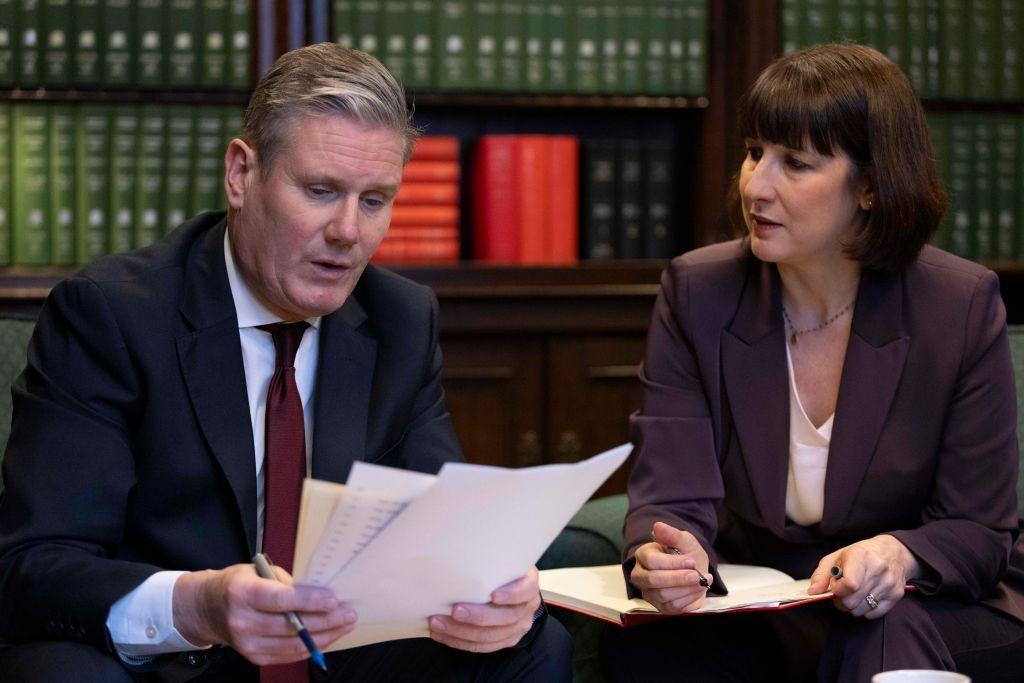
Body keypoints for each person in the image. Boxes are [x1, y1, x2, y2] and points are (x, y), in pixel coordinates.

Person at [0, 43, 571, 682]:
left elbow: (449, 532)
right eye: (321, 191)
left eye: (375, 200)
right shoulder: (112, 316)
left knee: (534, 643)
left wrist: (499, 593)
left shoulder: (401, 321)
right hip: (178, 660)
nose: (348, 232)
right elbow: (38, 564)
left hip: (340, 656)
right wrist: (200, 604)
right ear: (242, 174)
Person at [601, 44, 1024, 682]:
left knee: (879, 631)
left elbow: (979, 528)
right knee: (656, 644)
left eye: (795, 163)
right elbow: (671, 487)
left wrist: (897, 555)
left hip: (932, 604)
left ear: (873, 187)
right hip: (769, 594)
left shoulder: (958, 304)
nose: (757, 185)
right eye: (753, 153)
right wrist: (668, 555)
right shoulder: (698, 291)